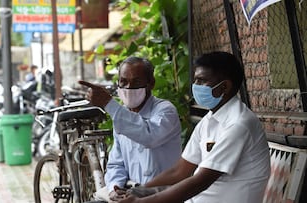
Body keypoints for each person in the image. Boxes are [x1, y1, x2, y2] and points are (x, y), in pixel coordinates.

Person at [116, 51, 271, 203]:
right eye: (195, 80)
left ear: (224, 87)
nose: (195, 86)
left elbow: (200, 181)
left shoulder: (239, 125)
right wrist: (138, 192)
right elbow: (180, 171)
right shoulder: (209, 120)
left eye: (202, 81)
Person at [79, 56, 182, 202]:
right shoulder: (122, 116)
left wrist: (109, 104)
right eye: (123, 82)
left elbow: (149, 135)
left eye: (136, 82)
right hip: (132, 195)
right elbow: (116, 163)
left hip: (163, 196)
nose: (128, 87)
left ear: (150, 84)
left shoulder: (165, 111)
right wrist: (114, 188)